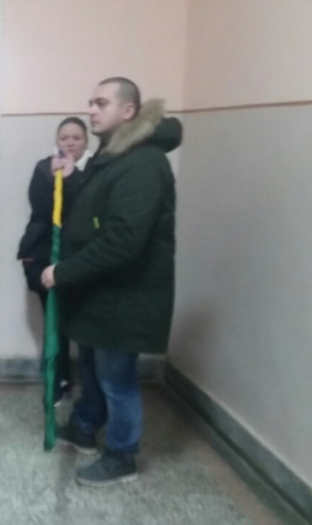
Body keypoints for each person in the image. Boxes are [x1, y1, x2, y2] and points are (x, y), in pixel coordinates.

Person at [44, 78, 181, 486]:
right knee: (92, 367)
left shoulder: (143, 164)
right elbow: (95, 213)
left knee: (116, 379)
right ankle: (85, 426)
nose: (91, 110)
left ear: (129, 111)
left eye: (101, 103)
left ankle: (123, 455)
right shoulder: (113, 154)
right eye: (91, 102)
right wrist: (71, 180)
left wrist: (63, 272)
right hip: (100, 291)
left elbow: (123, 240)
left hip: (126, 294)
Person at [18, 117, 92, 404]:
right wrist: (55, 178)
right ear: (57, 141)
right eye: (64, 138)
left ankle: (87, 387)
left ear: (86, 142)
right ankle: (57, 380)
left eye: (76, 138)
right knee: (54, 321)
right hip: (43, 254)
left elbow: (85, 210)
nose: (70, 143)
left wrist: (72, 177)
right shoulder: (43, 169)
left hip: (79, 257)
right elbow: (42, 209)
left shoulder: (93, 171)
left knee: (82, 323)